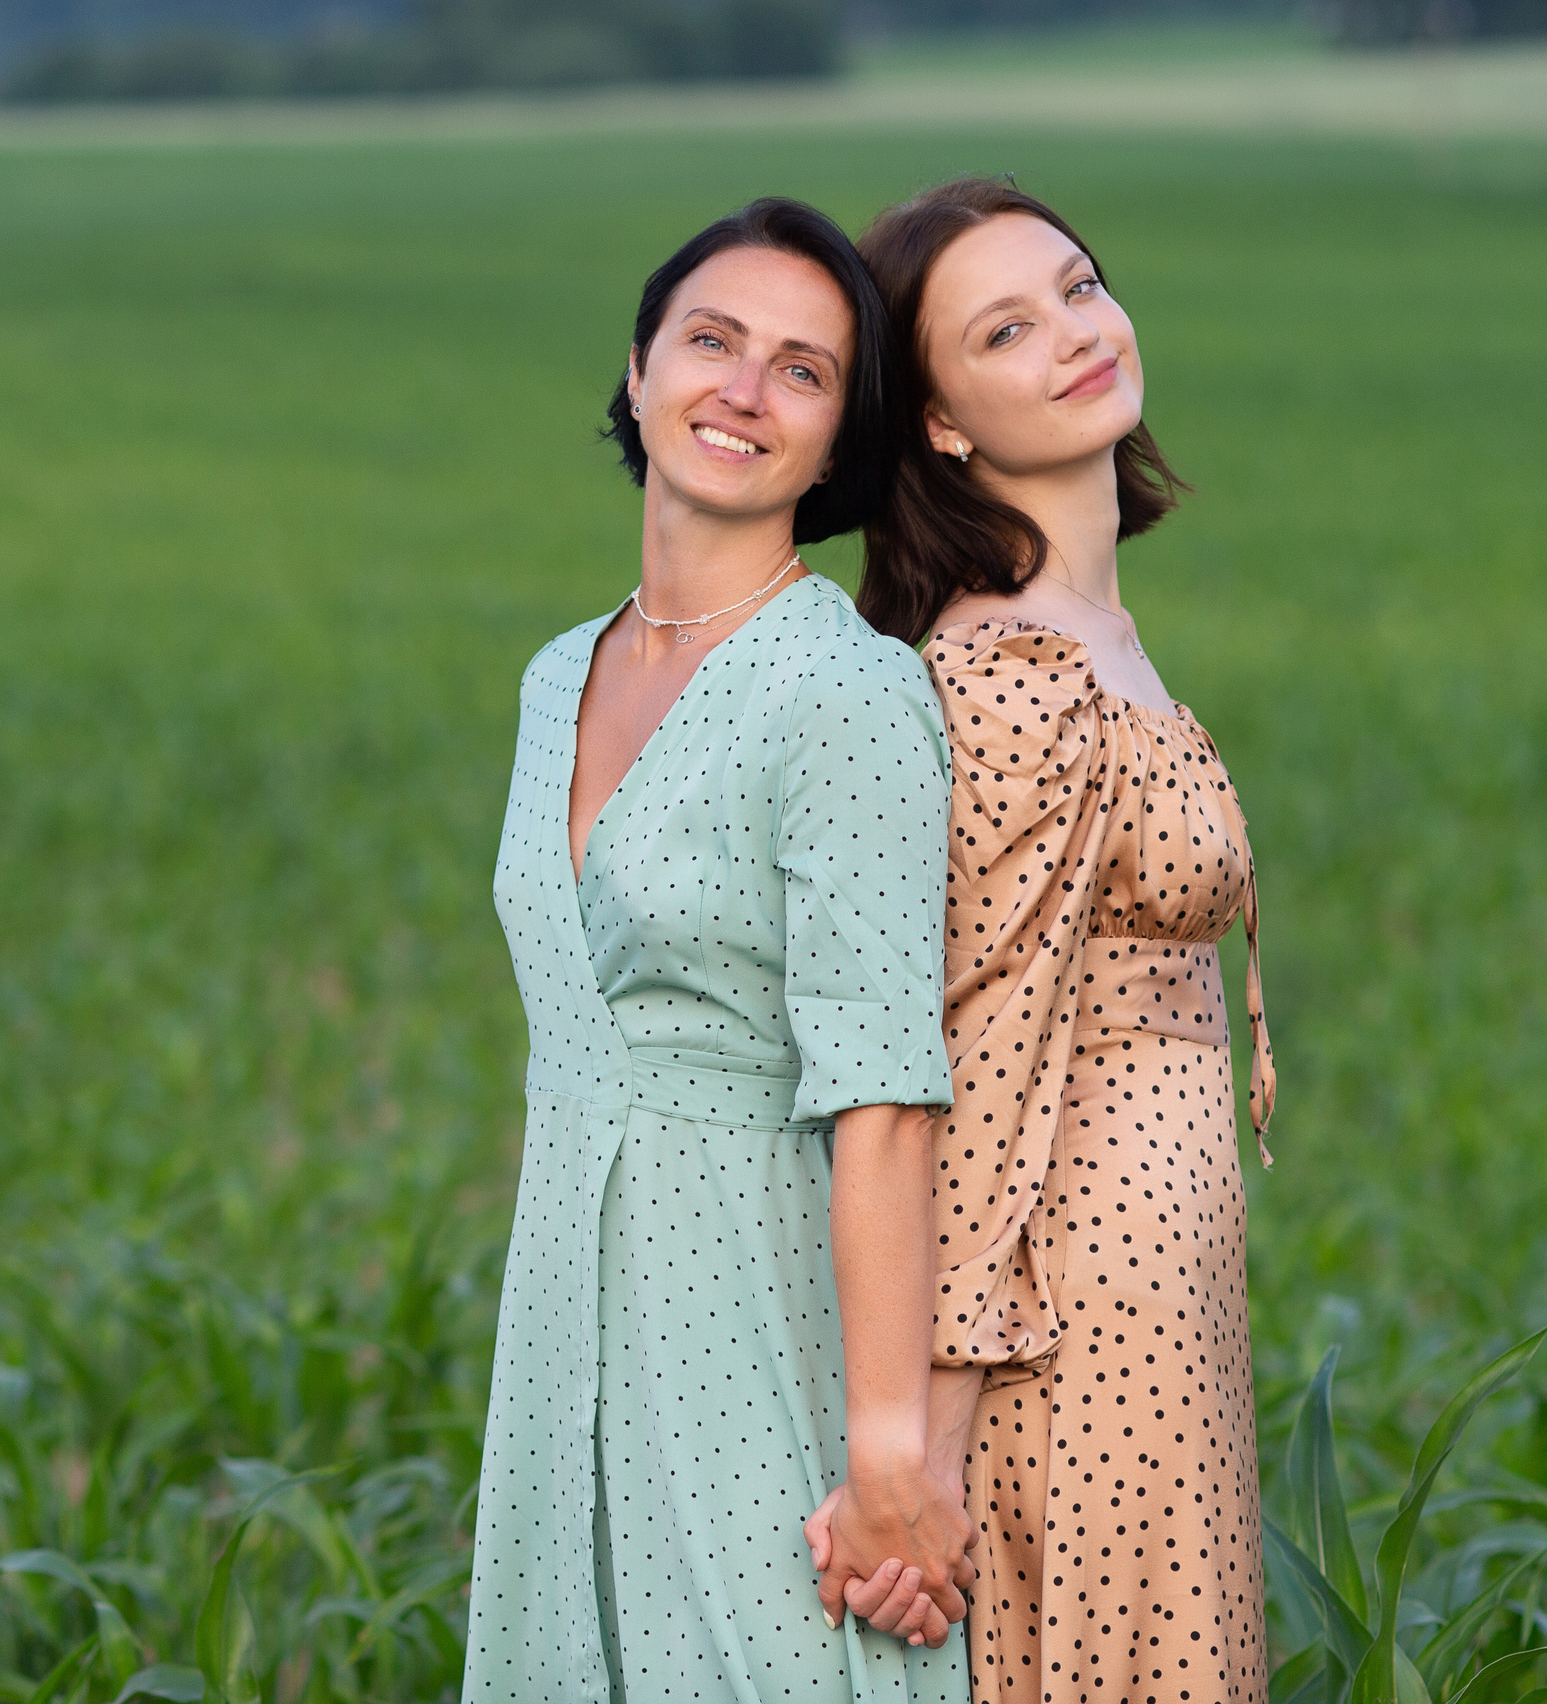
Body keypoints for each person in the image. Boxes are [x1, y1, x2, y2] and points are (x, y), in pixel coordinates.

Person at [464, 196, 976, 1704]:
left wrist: (886, 1455)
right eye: (713, 342)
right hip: (565, 1300)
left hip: (753, 1298)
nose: (744, 392)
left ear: (837, 444)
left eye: (803, 372)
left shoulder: (849, 691)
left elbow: (883, 1088)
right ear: (638, 370)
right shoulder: (561, 674)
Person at [816, 176, 1280, 1704]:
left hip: (1162, 1291)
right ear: (942, 422)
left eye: (1079, 287)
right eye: (1006, 329)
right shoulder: (1008, 670)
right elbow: (980, 1071)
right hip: (1072, 1333)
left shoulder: (1094, 631)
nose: (1075, 333)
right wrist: (920, 1467)